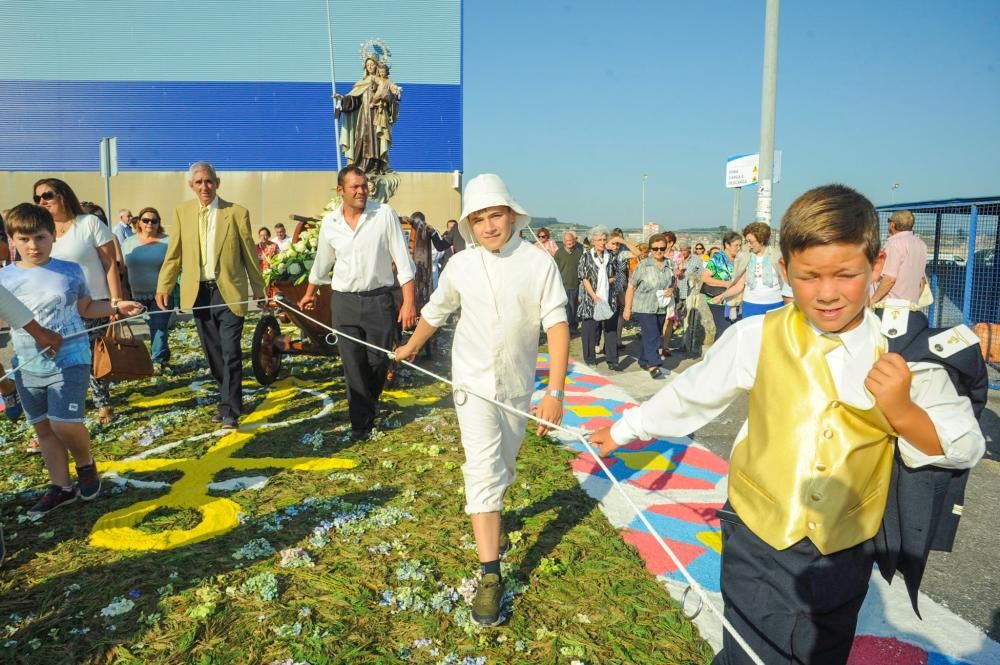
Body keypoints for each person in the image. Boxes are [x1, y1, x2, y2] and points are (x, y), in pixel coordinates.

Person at [592, 184, 985, 665]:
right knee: (750, 653)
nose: (826, 293)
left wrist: (902, 411)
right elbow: (692, 393)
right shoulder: (758, 335)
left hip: (846, 548)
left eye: (845, 275)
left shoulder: (902, 351)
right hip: (758, 535)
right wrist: (625, 429)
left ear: (877, 266)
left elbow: (963, 444)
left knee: (821, 652)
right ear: (784, 272)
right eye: (808, 276)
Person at [394, 174, 569, 627]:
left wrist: (554, 391)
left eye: (496, 215)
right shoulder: (460, 266)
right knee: (481, 467)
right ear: (470, 225)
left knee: (504, 465)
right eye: (480, 219)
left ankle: (495, 517)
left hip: (516, 387)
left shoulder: (538, 263)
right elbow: (435, 311)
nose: (489, 226)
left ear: (512, 214)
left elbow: (556, 326)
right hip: (470, 385)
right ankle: (490, 574)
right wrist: (411, 346)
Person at [0, 203, 143, 519]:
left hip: (71, 358)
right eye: (24, 240)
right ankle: (61, 487)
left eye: (40, 238)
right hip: (27, 365)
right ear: (12, 241)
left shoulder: (69, 271)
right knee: (45, 430)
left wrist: (116, 308)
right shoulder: (4, 279)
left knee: (65, 423)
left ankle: (85, 464)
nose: (33, 246)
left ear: (53, 236)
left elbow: (86, 307)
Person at [298, 166, 416, 440]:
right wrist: (310, 291)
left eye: (364, 186)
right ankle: (360, 425)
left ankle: (368, 406)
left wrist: (408, 303)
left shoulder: (384, 215)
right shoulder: (330, 223)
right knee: (352, 364)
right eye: (355, 187)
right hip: (345, 303)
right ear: (341, 191)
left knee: (377, 363)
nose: (362, 191)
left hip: (379, 301)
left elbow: (403, 261)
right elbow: (323, 262)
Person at [155, 161, 265, 430]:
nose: (204, 186)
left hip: (229, 292)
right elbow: (175, 253)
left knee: (230, 351)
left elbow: (250, 255)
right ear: (191, 186)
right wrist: (165, 285)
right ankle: (226, 398)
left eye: (209, 181)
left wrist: (260, 291)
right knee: (213, 352)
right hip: (199, 294)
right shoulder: (183, 212)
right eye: (199, 182)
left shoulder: (236, 213)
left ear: (217, 183)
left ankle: (230, 410)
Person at [34, 178, 124, 427]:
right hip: (56, 308)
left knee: (93, 358)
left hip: (94, 302)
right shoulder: (41, 231)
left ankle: (103, 403)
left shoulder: (89, 223)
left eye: (48, 195)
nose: (42, 201)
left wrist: (115, 301)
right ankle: (65, 407)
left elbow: (109, 264)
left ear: (63, 195)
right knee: (60, 359)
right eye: (38, 198)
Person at [122, 207, 172, 373]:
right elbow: (121, 268)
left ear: (159, 223)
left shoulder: (168, 242)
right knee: (151, 326)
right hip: (135, 295)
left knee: (158, 327)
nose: (150, 223)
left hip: (161, 294)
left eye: (154, 220)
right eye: (146, 220)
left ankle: (157, 361)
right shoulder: (128, 242)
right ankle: (163, 355)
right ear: (139, 223)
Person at [623, 233, 675, 378]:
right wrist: (627, 307)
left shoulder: (670, 264)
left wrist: (672, 289)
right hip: (644, 306)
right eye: (655, 248)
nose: (659, 251)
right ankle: (654, 364)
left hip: (661, 306)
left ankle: (644, 360)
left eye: (662, 248)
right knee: (652, 335)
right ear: (651, 249)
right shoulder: (643, 265)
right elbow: (631, 287)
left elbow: (673, 282)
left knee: (654, 334)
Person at [710, 222, 786, 318]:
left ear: (761, 240)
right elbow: (739, 286)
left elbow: (787, 283)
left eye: (751, 241)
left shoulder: (777, 256)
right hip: (751, 305)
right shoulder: (744, 257)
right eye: (747, 241)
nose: (748, 245)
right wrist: (722, 296)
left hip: (776, 305)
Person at [577, 225, 619, 370]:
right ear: (593, 241)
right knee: (589, 329)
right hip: (591, 299)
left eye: (604, 239)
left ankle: (612, 359)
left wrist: (612, 279)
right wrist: (594, 296)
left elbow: (615, 275)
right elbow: (584, 278)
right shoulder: (586, 257)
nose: (602, 242)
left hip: (609, 297)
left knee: (610, 329)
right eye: (599, 240)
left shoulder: (611, 256)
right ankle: (590, 358)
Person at [871, 210, 928, 305]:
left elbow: (889, 279)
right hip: (912, 305)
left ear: (892, 225)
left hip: (891, 306)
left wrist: (873, 300)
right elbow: (922, 283)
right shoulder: (921, 244)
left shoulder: (894, 244)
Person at [701, 232, 741, 338]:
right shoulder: (718, 259)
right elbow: (704, 278)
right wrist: (725, 283)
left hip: (735, 300)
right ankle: (717, 353)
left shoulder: (740, 259)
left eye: (740, 245)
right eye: (736, 245)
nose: (738, 248)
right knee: (724, 330)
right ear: (727, 245)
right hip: (718, 300)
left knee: (733, 331)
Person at [553, 231, 583, 334]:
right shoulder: (559, 253)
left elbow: (582, 269)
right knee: (564, 308)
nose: (569, 242)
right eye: (567, 241)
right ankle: (565, 328)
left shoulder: (579, 252)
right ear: (563, 242)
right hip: (562, 285)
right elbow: (555, 269)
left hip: (575, 284)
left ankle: (573, 327)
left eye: (570, 240)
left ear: (574, 241)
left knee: (573, 307)